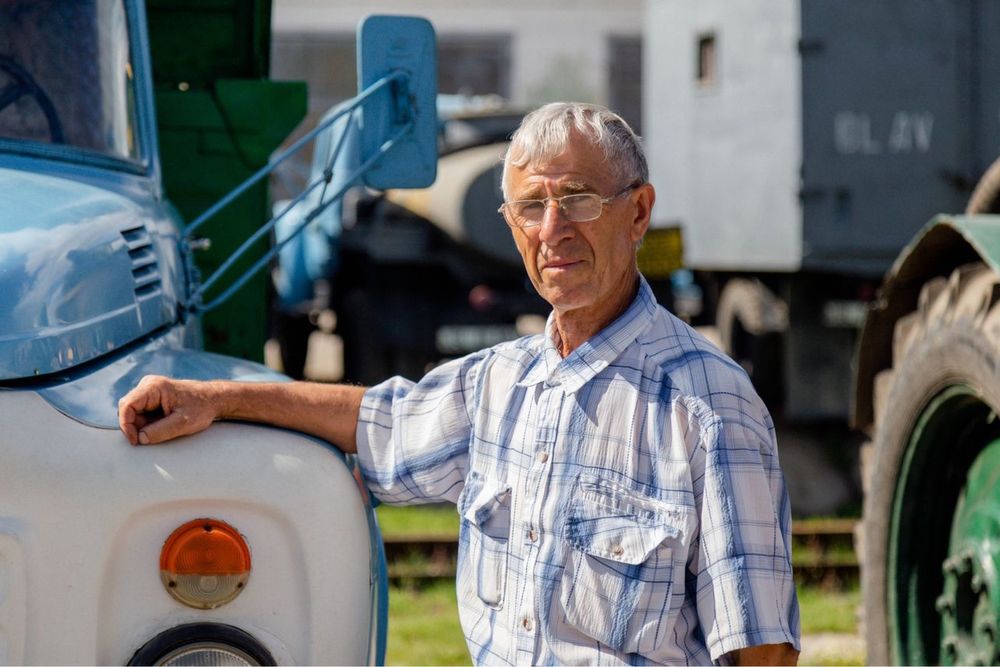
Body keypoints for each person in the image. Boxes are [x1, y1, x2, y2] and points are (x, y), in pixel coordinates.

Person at [119, 102, 800, 665]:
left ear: (638, 212)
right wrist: (217, 397)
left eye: (578, 199)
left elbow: (762, 650)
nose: (553, 229)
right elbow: (372, 421)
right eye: (531, 207)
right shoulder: (498, 387)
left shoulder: (708, 405)